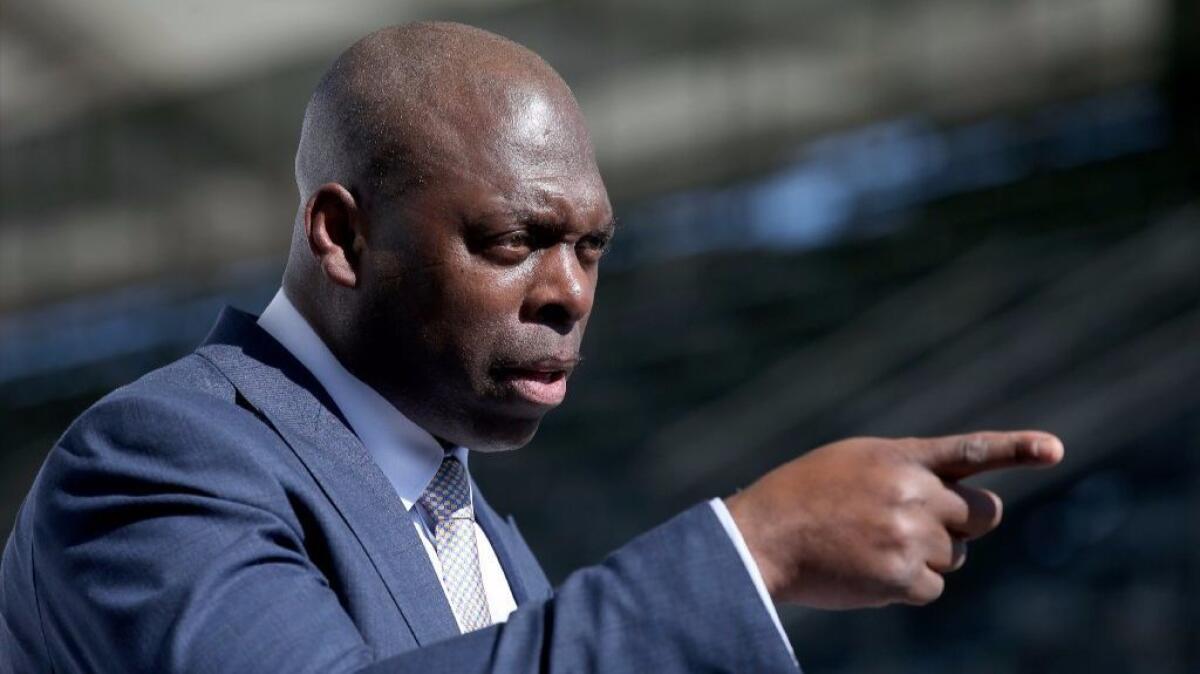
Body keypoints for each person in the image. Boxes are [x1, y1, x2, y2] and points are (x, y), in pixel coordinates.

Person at [0, 22, 1063, 673]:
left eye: (592, 247)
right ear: (344, 232)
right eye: (514, 240)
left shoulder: (485, 539)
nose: (567, 291)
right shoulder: (157, 457)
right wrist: (753, 549)